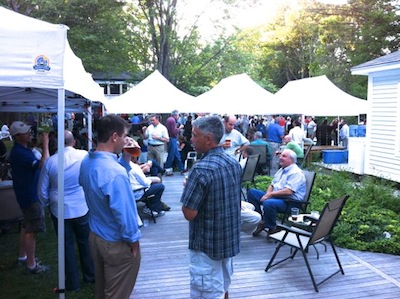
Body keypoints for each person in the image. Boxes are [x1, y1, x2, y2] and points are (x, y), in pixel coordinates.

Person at [79, 114, 141, 299]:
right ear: (115, 136)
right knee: (116, 294)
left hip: (96, 235)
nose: (126, 140)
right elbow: (125, 213)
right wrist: (134, 242)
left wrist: (126, 158)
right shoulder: (115, 173)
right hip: (116, 243)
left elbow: (103, 182)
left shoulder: (88, 162)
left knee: (103, 290)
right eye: (124, 136)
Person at [181, 116, 242, 299]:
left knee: (206, 293)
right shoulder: (233, 163)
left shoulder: (201, 169)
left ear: (208, 138)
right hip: (227, 242)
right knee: (223, 287)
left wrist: (189, 188)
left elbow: (189, 213)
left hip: (206, 246)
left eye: (194, 135)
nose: (191, 139)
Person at [38, 130, 94, 291]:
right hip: (81, 205)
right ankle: (90, 276)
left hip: (59, 208)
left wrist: (47, 203)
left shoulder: (51, 162)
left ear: (56, 144)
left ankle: (72, 283)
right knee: (85, 242)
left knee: (66, 245)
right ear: (74, 142)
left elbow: (42, 190)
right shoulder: (84, 156)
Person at [8, 121, 50, 273]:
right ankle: (31, 265)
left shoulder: (22, 150)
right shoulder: (20, 153)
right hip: (30, 195)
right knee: (32, 230)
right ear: (18, 136)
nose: (29, 133)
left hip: (26, 193)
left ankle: (23, 257)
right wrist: (46, 144)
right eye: (26, 132)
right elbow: (44, 164)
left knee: (26, 226)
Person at [248, 149, 306, 237]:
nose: (280, 158)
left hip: (291, 202)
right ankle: (261, 220)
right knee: (252, 193)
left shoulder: (296, 173)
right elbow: (272, 185)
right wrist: (267, 194)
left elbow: (289, 191)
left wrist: (270, 195)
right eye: (281, 155)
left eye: (284, 156)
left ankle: (272, 228)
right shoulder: (282, 170)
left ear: (291, 160)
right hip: (278, 197)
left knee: (269, 203)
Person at [119, 137, 166, 218]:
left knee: (153, 167)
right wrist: (155, 179)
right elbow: (145, 182)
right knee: (160, 186)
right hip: (137, 191)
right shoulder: (132, 166)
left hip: (131, 189)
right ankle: (152, 207)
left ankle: (156, 206)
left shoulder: (121, 162)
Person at [164, 110, 186, 175]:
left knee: (176, 154)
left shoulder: (169, 120)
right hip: (172, 139)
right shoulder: (172, 121)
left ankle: (182, 168)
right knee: (171, 154)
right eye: (178, 115)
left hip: (171, 138)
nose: (178, 117)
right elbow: (174, 132)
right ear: (176, 115)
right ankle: (167, 169)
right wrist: (179, 128)